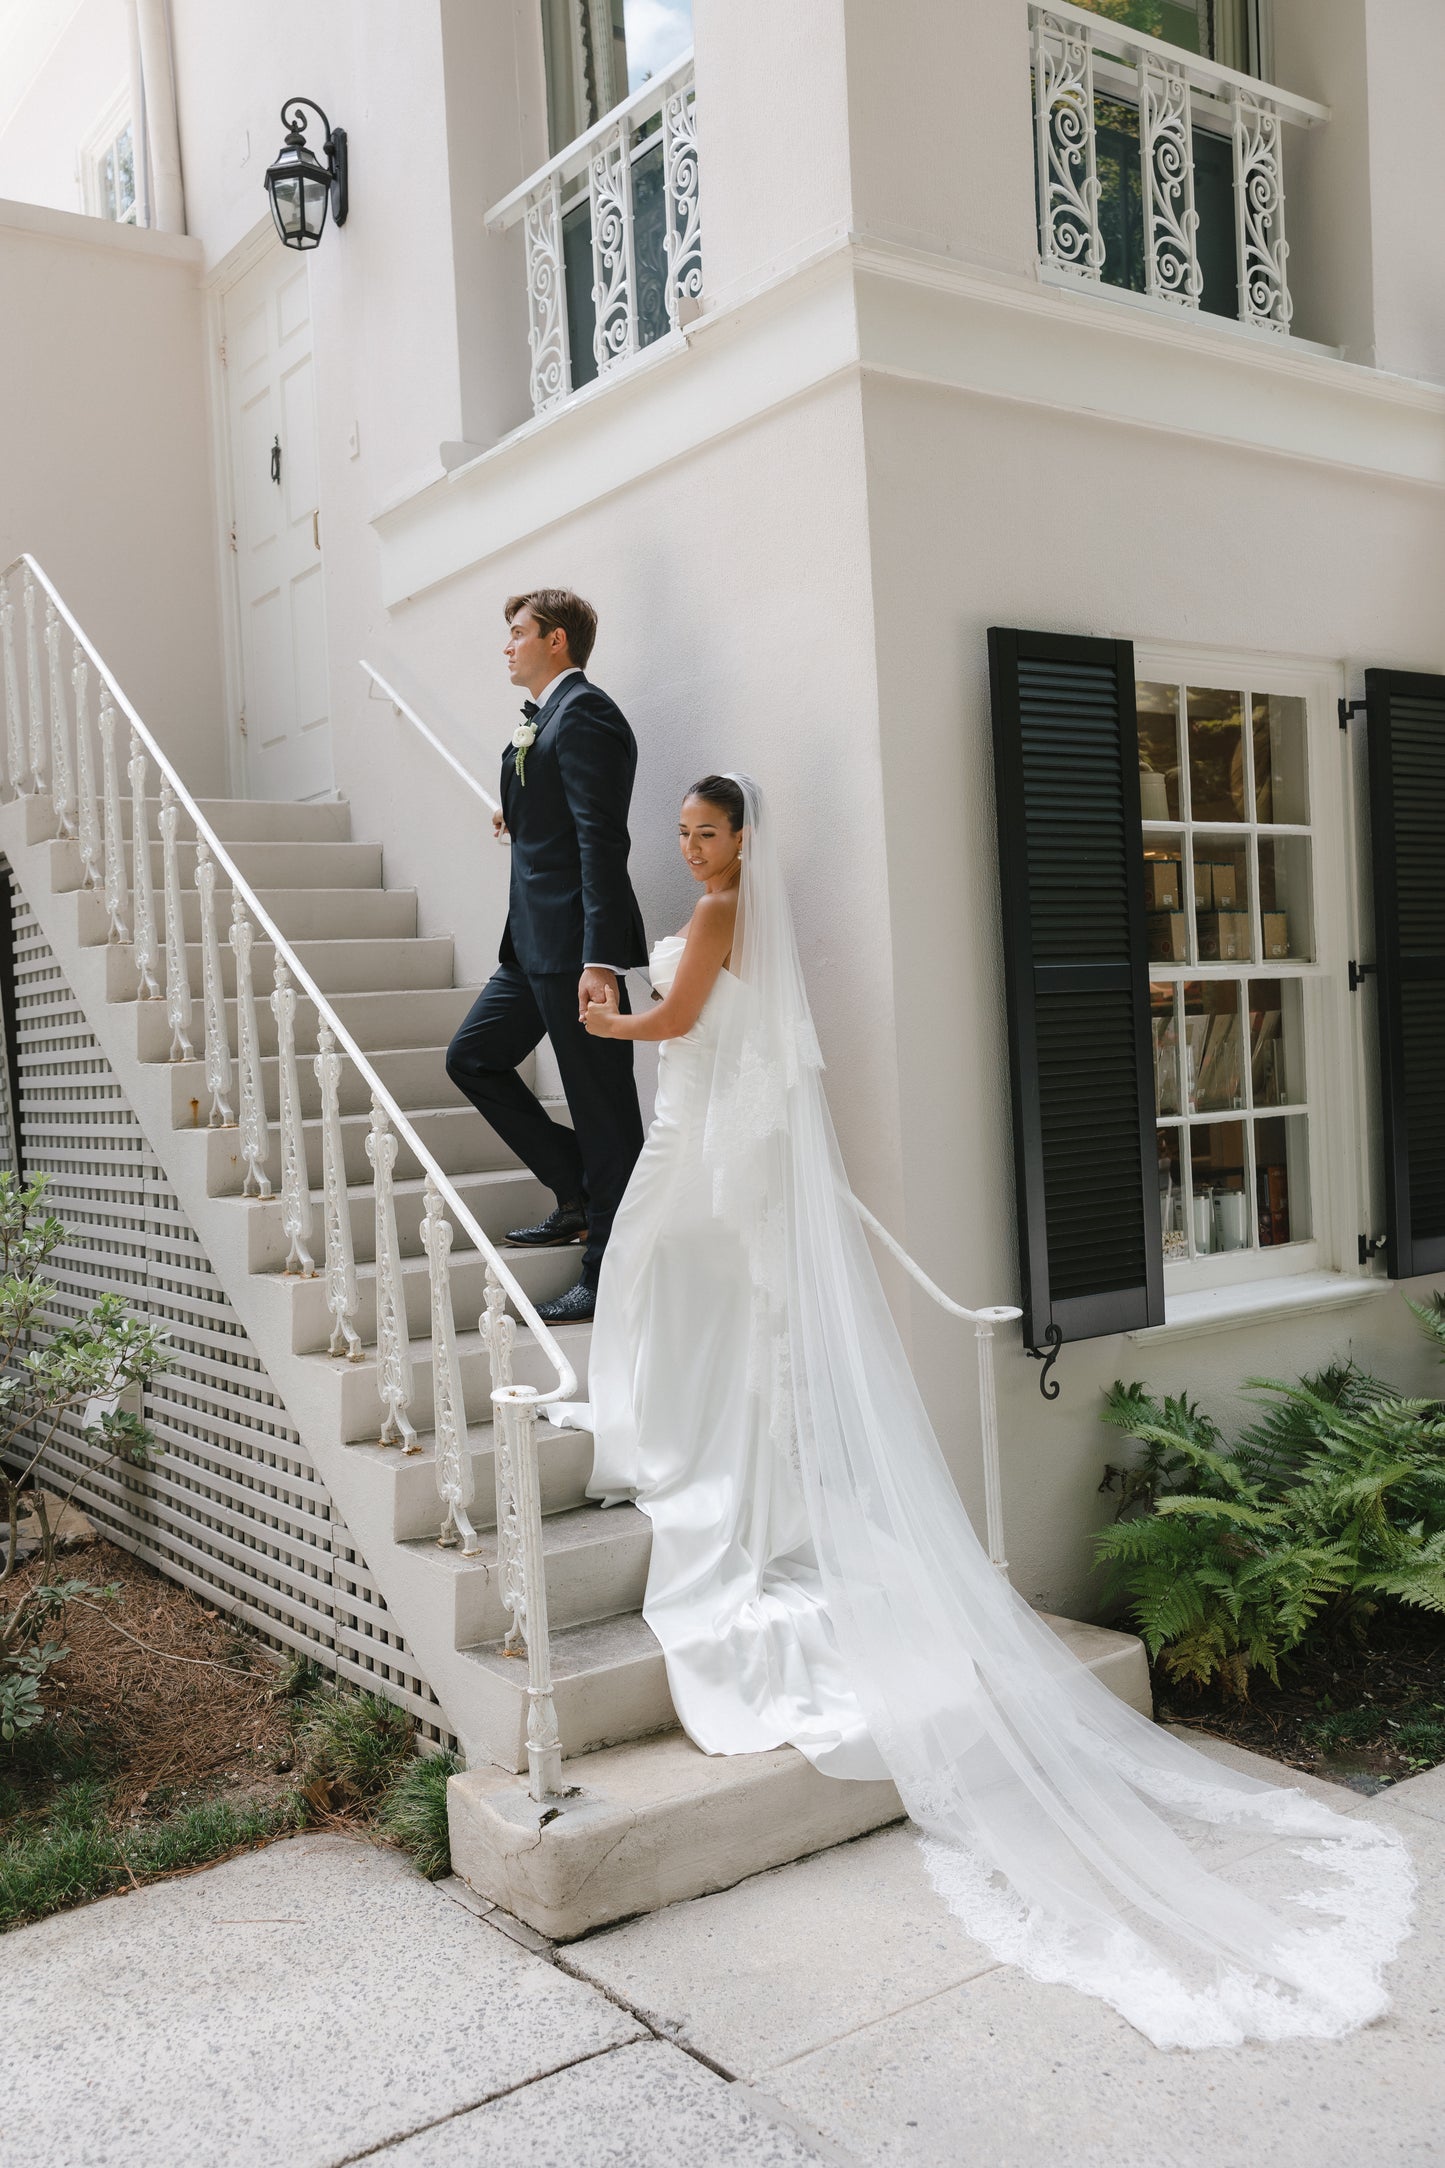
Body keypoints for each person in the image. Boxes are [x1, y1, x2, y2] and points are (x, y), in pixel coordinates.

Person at [558, 771, 1414, 2052]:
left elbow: (679, 1018)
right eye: (679, 831)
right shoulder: (730, 907)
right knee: (679, 1306)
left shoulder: (729, 912)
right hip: (707, 1139)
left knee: (671, 1297)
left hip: (700, 1144)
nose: (689, 847)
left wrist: (605, 1012)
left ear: (744, 837)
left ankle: (688, 1457)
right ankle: (685, 1444)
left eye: (706, 829)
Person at [445, 590, 647, 1325]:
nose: (507, 646)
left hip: (574, 951)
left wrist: (601, 960)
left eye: (517, 633)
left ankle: (610, 1272)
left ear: (555, 642)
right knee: (472, 1058)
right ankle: (577, 1191)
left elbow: (602, 840)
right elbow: (558, 815)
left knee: (603, 1111)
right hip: (528, 947)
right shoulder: (548, 722)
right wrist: (520, 807)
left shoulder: (587, 713)